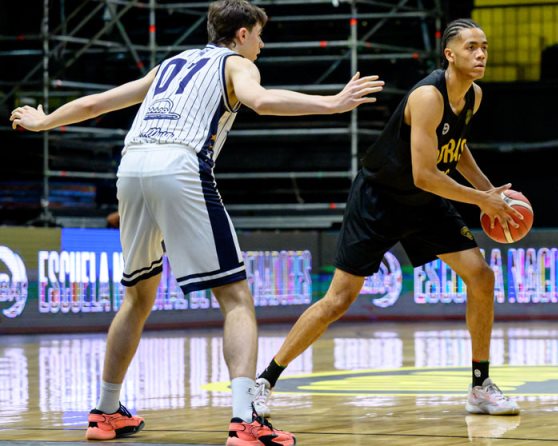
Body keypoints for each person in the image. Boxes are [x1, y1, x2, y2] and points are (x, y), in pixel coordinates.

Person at [9, 1, 383, 445]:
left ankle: (105, 412)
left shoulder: (171, 64)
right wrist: (333, 102)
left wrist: (45, 119)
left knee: (137, 297)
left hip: (131, 168)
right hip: (180, 164)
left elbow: (99, 103)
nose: (262, 46)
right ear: (242, 34)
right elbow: (261, 102)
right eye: (259, 36)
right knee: (237, 297)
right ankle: (246, 421)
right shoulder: (236, 64)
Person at [250, 18, 522, 418]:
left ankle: (480, 386)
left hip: (425, 203)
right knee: (338, 300)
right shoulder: (428, 96)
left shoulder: (474, 96)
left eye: (483, 46)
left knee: (481, 276)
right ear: (450, 54)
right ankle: (264, 381)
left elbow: (457, 148)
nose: (480, 54)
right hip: (380, 199)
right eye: (470, 47)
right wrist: (481, 199)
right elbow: (424, 174)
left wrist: (490, 191)